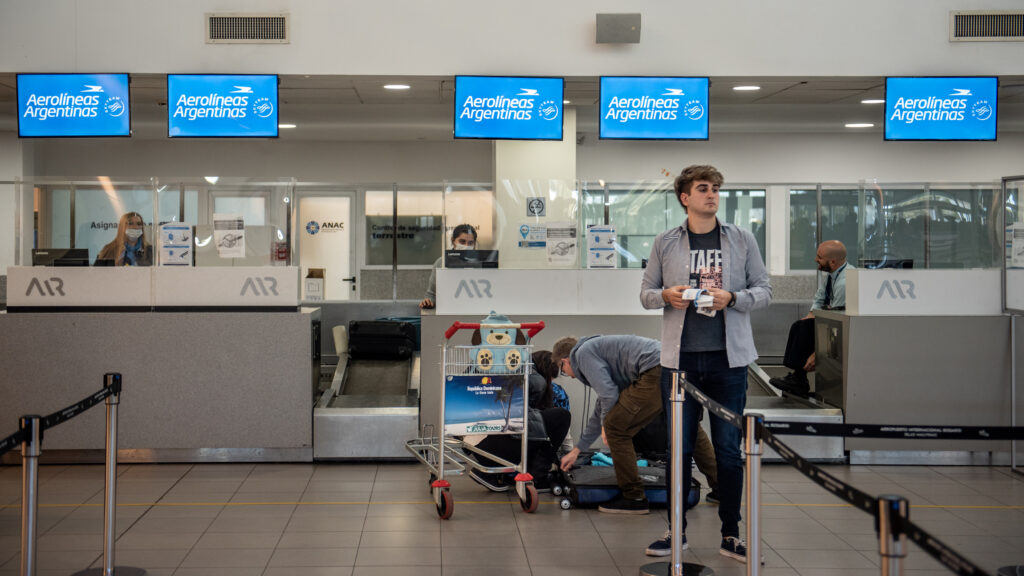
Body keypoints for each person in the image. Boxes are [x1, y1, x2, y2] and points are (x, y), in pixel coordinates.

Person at [640, 164, 772, 562]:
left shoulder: (742, 239)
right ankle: (674, 532)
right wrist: (667, 296)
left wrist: (732, 298)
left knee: (729, 452)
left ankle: (731, 534)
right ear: (685, 198)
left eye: (715, 188)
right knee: (677, 451)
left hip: (728, 363)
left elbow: (764, 290)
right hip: (678, 364)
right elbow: (645, 294)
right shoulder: (665, 242)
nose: (712, 194)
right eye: (703, 188)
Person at [554, 334, 662, 515]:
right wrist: (577, 451)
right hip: (668, 361)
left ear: (566, 360)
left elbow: (609, 396)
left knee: (616, 429)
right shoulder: (598, 352)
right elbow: (602, 405)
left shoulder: (582, 354)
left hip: (654, 368)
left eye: (562, 369)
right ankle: (720, 488)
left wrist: (607, 426)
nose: (569, 377)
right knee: (689, 429)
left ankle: (634, 497)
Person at [468, 350, 572, 491]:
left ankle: (491, 471)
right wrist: (568, 452)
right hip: (495, 445)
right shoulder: (537, 381)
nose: (551, 384)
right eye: (551, 379)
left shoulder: (514, 369)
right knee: (560, 418)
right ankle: (536, 477)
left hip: (475, 440)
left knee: (540, 424)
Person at [770, 240, 852, 396]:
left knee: (804, 329)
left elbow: (837, 323)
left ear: (832, 262)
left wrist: (818, 353)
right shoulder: (832, 276)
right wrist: (806, 321)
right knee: (800, 326)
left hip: (844, 331)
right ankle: (799, 377)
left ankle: (799, 379)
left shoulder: (844, 284)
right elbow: (819, 301)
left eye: (819, 257)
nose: (815, 260)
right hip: (832, 322)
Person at [420, 224, 477, 309]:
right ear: (453, 241)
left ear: (474, 243)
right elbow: (431, 294)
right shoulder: (441, 263)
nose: (466, 246)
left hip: (474, 309)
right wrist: (428, 301)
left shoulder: (480, 262)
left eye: (470, 243)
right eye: (462, 241)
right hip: (448, 311)